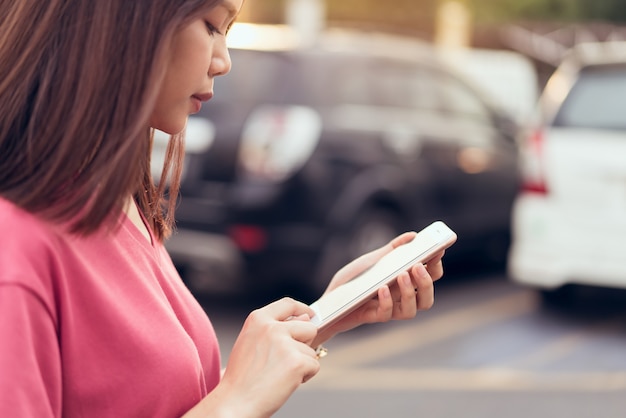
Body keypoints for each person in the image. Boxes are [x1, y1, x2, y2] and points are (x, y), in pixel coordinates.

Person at [0, 0, 447, 417]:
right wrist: (237, 399)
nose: (224, 61)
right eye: (213, 25)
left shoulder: (115, 198)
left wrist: (324, 315)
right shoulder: (15, 249)